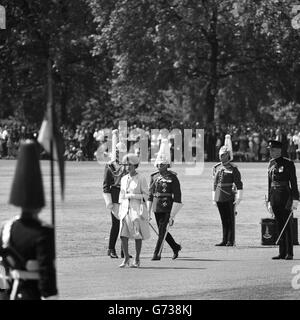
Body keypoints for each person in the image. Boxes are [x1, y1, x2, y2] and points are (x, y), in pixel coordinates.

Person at [0, 140, 58, 300]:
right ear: (39, 205)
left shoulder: (6, 228)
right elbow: (47, 274)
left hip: (11, 292)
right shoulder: (44, 232)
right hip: (34, 294)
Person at [147, 138, 183, 261]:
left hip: (167, 207)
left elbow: (178, 197)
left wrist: (173, 214)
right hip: (157, 207)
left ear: (167, 164)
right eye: (158, 164)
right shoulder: (154, 176)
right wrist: (148, 211)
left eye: (162, 164)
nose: (159, 166)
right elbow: (150, 194)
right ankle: (175, 246)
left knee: (162, 231)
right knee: (162, 231)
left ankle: (156, 254)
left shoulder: (173, 177)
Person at [267, 140, 299, 260]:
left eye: (273, 150)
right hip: (274, 196)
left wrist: (295, 199)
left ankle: (289, 252)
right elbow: (269, 183)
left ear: (279, 150)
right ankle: (281, 251)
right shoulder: (271, 164)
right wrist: (269, 200)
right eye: (270, 150)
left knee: (287, 224)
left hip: (286, 197)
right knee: (279, 224)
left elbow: (294, 184)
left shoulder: (288, 163)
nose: (271, 152)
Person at [118, 153, 150, 268]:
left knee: (137, 234)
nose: (127, 167)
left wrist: (133, 195)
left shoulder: (141, 178)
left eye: (129, 165)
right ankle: (126, 258)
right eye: (126, 165)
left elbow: (146, 195)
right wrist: (120, 209)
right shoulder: (123, 179)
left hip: (136, 209)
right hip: (125, 209)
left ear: (135, 165)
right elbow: (121, 196)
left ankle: (137, 258)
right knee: (122, 234)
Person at [212, 135, 243, 246]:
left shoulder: (233, 168)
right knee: (223, 219)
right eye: (220, 155)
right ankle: (224, 239)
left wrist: (239, 196)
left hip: (229, 196)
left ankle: (231, 240)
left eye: (224, 155)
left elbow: (239, 183)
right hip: (219, 196)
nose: (221, 157)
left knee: (230, 219)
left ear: (228, 156)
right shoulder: (217, 168)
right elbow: (214, 184)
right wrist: (213, 198)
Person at [102, 129, 129, 259]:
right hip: (114, 196)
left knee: (126, 224)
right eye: (119, 152)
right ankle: (111, 249)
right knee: (116, 224)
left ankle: (124, 251)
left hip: (125, 197)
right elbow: (106, 186)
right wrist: (109, 202)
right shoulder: (110, 166)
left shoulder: (128, 166)